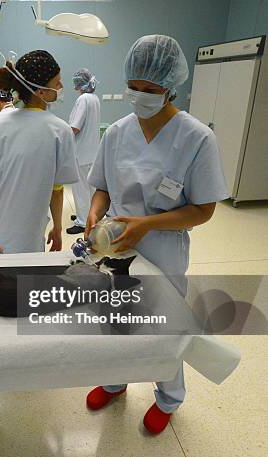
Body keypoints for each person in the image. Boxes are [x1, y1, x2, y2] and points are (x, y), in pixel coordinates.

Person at [84, 35, 229, 434]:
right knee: (116, 318)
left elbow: (204, 209)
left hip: (163, 247)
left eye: (150, 90)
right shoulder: (116, 132)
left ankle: (168, 397)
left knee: (163, 325)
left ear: (170, 86)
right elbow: (102, 186)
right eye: (134, 87)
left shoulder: (197, 138)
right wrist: (96, 213)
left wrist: (146, 225)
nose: (141, 96)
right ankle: (115, 380)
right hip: (114, 244)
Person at [0, 50, 78, 254]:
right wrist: (57, 227)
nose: (61, 87)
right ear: (40, 91)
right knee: (29, 281)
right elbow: (56, 188)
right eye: (57, 83)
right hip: (31, 234)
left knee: (2, 283)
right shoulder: (60, 130)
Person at [66, 68, 101, 235]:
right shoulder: (94, 99)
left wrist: (61, 135)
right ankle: (92, 216)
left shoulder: (83, 99)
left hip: (80, 152)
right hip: (92, 152)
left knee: (80, 189)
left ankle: (81, 222)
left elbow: (75, 127)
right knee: (91, 188)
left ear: (79, 83)